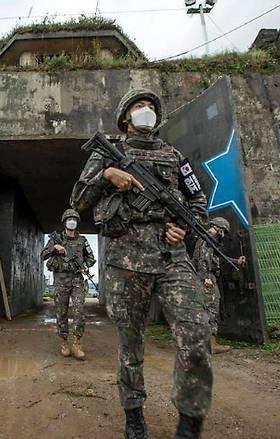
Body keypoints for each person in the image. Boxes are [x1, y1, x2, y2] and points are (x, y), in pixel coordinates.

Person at [71, 88, 212, 439]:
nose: (146, 110)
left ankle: (190, 422)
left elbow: (197, 197)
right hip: (126, 259)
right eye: (138, 106)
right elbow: (78, 199)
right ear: (125, 117)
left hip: (171, 258)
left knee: (196, 334)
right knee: (130, 342)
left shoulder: (174, 155)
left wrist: (184, 225)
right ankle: (134, 416)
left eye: (151, 106)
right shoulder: (110, 153)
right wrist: (107, 176)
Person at [41, 209, 96, 360]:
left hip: (78, 280)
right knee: (61, 312)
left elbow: (91, 258)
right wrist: (54, 248)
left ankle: (77, 344)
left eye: (74, 219)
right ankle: (64, 342)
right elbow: (42, 255)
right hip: (60, 280)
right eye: (69, 218)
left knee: (79, 312)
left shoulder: (82, 240)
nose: (72, 221)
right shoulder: (56, 239)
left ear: (77, 222)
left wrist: (84, 265)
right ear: (64, 221)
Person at [192, 217, 247, 354]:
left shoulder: (211, 241)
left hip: (207, 276)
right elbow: (202, 259)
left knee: (208, 308)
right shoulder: (207, 239)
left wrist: (236, 261)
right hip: (207, 277)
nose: (224, 234)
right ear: (218, 228)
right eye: (223, 231)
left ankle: (206, 343)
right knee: (211, 308)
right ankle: (211, 344)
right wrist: (205, 277)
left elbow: (219, 258)